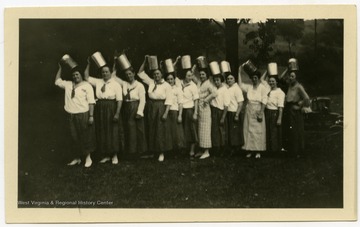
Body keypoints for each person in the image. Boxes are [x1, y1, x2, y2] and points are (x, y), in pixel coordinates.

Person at [55, 64, 95, 168]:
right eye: (73, 75)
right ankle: (77, 158)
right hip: (71, 115)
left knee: (85, 136)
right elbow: (57, 81)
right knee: (73, 137)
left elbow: (91, 102)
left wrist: (91, 116)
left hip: (83, 114)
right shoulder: (68, 84)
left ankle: (88, 157)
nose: (75, 77)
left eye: (77, 74)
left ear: (81, 75)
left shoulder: (87, 86)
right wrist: (60, 68)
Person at [85, 59, 123, 165]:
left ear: (111, 73)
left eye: (107, 72)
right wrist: (88, 64)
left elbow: (119, 100)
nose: (105, 73)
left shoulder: (116, 84)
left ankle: (114, 155)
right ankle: (106, 155)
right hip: (100, 108)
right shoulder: (98, 81)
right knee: (103, 131)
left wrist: (117, 113)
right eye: (103, 72)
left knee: (113, 131)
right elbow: (86, 77)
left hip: (111, 107)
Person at [138, 56, 173, 162]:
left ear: (161, 74)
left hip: (161, 107)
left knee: (160, 129)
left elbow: (169, 100)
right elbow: (140, 73)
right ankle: (153, 151)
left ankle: (162, 152)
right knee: (151, 128)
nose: (156, 75)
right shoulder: (151, 82)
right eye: (154, 74)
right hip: (150, 107)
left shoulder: (166, 85)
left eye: (158, 73)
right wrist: (144, 61)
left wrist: (166, 113)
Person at [112, 64, 147, 160]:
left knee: (136, 130)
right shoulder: (124, 84)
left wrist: (139, 112)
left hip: (135, 107)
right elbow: (113, 77)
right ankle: (129, 152)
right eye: (127, 74)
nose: (128, 76)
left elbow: (143, 100)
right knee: (127, 129)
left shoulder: (139, 85)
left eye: (130, 74)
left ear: (134, 74)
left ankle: (138, 152)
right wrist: (115, 65)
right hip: (126, 107)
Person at [238, 65, 267, 159]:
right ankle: (249, 150)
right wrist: (239, 72)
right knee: (248, 131)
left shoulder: (262, 88)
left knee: (258, 131)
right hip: (249, 110)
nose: (254, 79)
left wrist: (261, 113)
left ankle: (258, 151)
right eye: (253, 78)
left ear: (258, 78)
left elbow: (264, 100)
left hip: (258, 110)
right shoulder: (249, 87)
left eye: (256, 78)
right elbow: (240, 85)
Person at [283, 70, 310, 157]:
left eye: (292, 76)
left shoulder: (299, 87)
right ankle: (292, 151)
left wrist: (300, 105)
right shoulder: (290, 86)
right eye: (290, 76)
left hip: (295, 112)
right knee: (290, 131)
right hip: (289, 110)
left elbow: (306, 98)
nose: (290, 78)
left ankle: (299, 151)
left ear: (296, 78)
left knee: (297, 131)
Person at [193, 63, 217, 159]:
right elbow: (192, 75)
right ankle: (201, 149)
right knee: (200, 129)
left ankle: (207, 151)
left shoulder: (209, 84)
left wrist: (206, 100)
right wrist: (194, 67)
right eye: (201, 74)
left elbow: (215, 93)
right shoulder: (199, 82)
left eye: (203, 74)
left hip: (205, 108)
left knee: (205, 130)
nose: (201, 76)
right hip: (199, 108)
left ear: (207, 75)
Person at [260, 70, 285, 153]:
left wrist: (279, 118)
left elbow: (281, 107)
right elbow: (262, 79)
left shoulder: (280, 92)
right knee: (267, 131)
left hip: (275, 113)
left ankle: (275, 150)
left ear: (276, 82)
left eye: (273, 81)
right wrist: (267, 70)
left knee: (274, 132)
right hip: (267, 112)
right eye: (270, 81)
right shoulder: (268, 89)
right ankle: (268, 149)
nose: (271, 83)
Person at [164, 72, 186, 155]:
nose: (170, 81)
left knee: (176, 131)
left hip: (174, 111)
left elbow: (180, 103)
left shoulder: (177, 89)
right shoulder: (164, 88)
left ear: (174, 80)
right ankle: (169, 150)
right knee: (168, 131)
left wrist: (180, 115)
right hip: (166, 111)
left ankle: (178, 150)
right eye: (168, 79)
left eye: (171, 79)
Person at [179, 69, 199, 157]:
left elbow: (196, 100)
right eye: (188, 76)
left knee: (191, 130)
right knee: (182, 130)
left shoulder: (193, 86)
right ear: (184, 75)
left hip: (189, 110)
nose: (190, 77)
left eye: (191, 75)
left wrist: (195, 112)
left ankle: (192, 150)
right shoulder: (179, 83)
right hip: (181, 109)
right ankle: (183, 148)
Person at [210, 74, 230, 156]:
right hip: (214, 111)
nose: (216, 82)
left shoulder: (225, 90)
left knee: (221, 130)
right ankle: (216, 148)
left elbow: (226, 105)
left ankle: (223, 149)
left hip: (220, 111)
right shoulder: (215, 88)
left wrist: (223, 117)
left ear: (221, 80)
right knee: (215, 131)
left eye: (218, 80)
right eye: (215, 80)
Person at [225, 73, 244, 155]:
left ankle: (236, 149)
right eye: (228, 79)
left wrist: (237, 114)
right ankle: (231, 148)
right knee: (230, 131)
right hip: (228, 112)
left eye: (231, 78)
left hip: (234, 112)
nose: (229, 80)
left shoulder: (237, 89)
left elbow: (241, 103)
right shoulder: (228, 88)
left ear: (234, 80)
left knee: (235, 131)